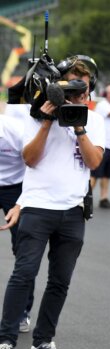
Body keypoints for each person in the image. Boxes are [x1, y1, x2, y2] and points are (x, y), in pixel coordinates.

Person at [0, 57, 104, 349]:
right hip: (37, 207)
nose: (76, 91)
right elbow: (29, 159)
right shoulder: (38, 116)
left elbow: (94, 162)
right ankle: (5, 342)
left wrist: (79, 128)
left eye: (81, 85)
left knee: (60, 280)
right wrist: (47, 122)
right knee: (24, 273)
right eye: (70, 84)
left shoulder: (95, 121)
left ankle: (43, 342)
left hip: (73, 210)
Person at [0, 112, 34, 333]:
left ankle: (22, 311)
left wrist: (22, 203)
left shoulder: (15, 131)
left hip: (16, 187)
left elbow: (34, 165)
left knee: (23, 251)